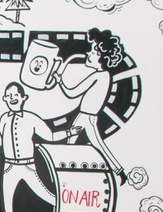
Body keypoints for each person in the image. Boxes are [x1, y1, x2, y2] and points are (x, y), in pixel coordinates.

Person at [0, 81, 81, 212]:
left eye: (15, 95)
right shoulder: (4, 118)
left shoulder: (31, 118)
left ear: (23, 97)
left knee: (47, 196)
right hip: (9, 167)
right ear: (5, 99)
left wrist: (69, 132)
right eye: (8, 95)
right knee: (7, 202)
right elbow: (0, 141)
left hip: (28, 166)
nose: (12, 98)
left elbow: (50, 136)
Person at [55, 27, 128, 185]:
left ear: (102, 57)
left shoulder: (98, 76)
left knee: (76, 145)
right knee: (86, 145)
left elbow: (72, 92)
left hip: (86, 117)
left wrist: (60, 80)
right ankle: (118, 171)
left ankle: (67, 176)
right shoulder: (105, 76)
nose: (88, 53)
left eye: (93, 51)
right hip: (87, 116)